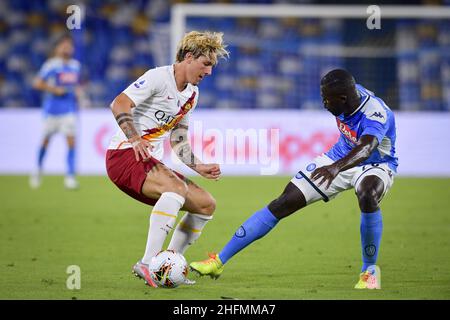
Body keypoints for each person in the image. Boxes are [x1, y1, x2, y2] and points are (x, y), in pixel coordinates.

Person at [190, 69, 398, 290]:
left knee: (367, 194)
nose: (324, 103)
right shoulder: (347, 95)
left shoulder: (375, 113)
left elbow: (366, 148)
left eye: (327, 99)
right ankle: (218, 261)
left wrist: (336, 168)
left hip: (376, 164)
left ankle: (369, 271)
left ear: (343, 99)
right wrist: (334, 165)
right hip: (337, 157)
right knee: (284, 202)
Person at [105, 31, 229, 287]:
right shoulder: (157, 77)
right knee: (176, 188)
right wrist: (135, 138)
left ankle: (169, 266)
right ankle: (147, 262)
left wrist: (198, 165)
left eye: (212, 66)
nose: (209, 72)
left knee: (206, 204)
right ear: (189, 57)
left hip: (147, 160)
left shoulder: (192, 95)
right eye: (206, 64)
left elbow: (179, 139)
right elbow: (119, 104)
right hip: (124, 155)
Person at [30, 34, 83, 189]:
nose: (67, 48)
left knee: (71, 143)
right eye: (64, 45)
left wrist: (79, 95)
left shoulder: (75, 66)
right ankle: (38, 169)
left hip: (69, 110)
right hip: (52, 110)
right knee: (46, 141)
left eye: (69, 45)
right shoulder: (51, 65)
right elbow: (37, 83)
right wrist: (53, 89)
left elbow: (76, 86)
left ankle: (70, 177)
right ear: (57, 48)